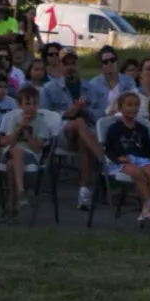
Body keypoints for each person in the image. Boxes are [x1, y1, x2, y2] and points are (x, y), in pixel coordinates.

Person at [41, 48, 105, 211]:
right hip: (61, 133)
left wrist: (86, 111)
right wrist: (68, 113)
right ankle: (103, 160)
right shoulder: (49, 89)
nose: (70, 66)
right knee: (78, 123)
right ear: (60, 65)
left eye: (73, 63)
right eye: (66, 63)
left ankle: (84, 191)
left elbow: (101, 115)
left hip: (85, 134)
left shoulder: (91, 89)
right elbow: (45, 116)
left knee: (82, 136)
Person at [103, 89, 150, 226]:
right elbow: (108, 150)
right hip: (122, 159)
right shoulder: (114, 129)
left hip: (141, 158)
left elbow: (148, 150)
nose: (134, 108)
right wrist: (118, 159)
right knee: (137, 173)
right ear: (121, 108)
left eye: (136, 105)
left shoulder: (142, 129)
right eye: (129, 105)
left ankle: (146, 209)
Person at [0, 85, 54, 224]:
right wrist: (20, 127)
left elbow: (38, 148)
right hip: (10, 152)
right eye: (28, 104)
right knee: (16, 151)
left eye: (35, 104)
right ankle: (21, 192)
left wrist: (28, 138)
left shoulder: (42, 122)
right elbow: (8, 143)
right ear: (20, 105)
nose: (32, 107)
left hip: (30, 156)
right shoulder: (13, 119)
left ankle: (11, 207)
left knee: (12, 165)